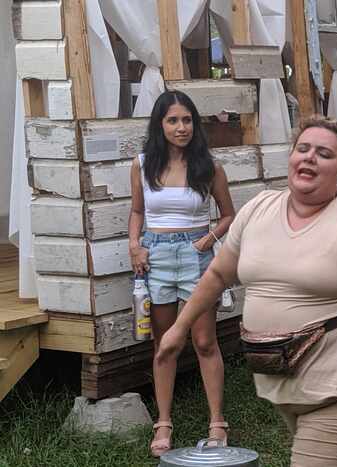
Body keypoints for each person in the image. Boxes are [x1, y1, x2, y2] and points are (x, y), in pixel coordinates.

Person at [155, 116, 337, 466]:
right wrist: (178, 329)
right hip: (286, 375)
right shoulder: (258, 209)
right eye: (303, 149)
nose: (310, 157)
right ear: (291, 159)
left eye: (324, 153)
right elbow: (218, 274)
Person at [128, 90, 236, 457]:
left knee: (204, 341)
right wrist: (134, 245)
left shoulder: (209, 166)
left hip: (195, 255)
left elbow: (228, 214)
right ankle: (163, 422)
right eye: (173, 120)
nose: (181, 127)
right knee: (165, 343)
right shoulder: (143, 164)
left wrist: (208, 239)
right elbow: (138, 212)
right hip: (155, 256)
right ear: (160, 124)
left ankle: (217, 421)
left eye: (187, 120)